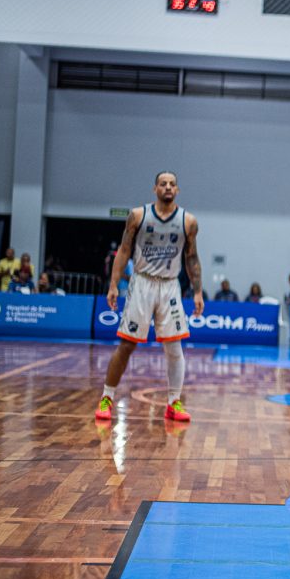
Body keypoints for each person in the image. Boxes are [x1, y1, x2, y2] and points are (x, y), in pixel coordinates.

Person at [96, 172, 203, 424]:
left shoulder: (188, 221)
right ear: (155, 188)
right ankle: (106, 398)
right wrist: (114, 284)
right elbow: (124, 250)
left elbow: (192, 257)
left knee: (174, 347)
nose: (168, 187)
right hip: (142, 283)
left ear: (177, 190)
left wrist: (198, 290)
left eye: (172, 184)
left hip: (170, 286)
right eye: (163, 184)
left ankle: (173, 402)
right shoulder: (138, 215)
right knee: (126, 345)